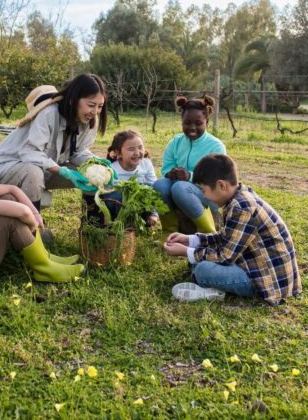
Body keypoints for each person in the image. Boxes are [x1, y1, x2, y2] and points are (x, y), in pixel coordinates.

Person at [164, 154, 302, 305]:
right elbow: (226, 238)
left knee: (202, 270)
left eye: (204, 191)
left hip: (266, 280)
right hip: (254, 263)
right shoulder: (239, 198)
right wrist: (191, 240)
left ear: (221, 185)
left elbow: (224, 256)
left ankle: (212, 291)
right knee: (199, 259)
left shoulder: (241, 208)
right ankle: (212, 282)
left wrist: (186, 252)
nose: (205, 196)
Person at [0, 137, 84, 285]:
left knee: (8, 197)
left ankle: (44, 257)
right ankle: (43, 268)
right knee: (10, 217)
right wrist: (33, 222)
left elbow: (12, 189)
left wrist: (35, 213)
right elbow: (22, 212)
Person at [0, 73, 109, 212]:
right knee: (34, 173)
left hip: (43, 170)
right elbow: (29, 152)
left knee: (94, 174)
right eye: (91, 105)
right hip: (10, 168)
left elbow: (78, 152)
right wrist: (61, 170)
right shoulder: (49, 114)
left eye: (100, 106)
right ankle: (31, 231)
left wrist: (96, 162)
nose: (95, 112)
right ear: (73, 100)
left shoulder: (88, 121)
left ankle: (93, 228)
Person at [153, 95, 226, 233]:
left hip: (209, 195)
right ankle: (169, 231)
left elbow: (215, 180)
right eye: (187, 122)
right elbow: (166, 168)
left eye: (198, 123)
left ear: (207, 122)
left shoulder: (215, 146)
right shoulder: (176, 142)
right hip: (181, 188)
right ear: (182, 121)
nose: (192, 127)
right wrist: (171, 172)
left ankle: (208, 232)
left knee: (180, 188)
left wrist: (190, 176)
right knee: (159, 185)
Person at [105, 130, 158, 226]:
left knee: (148, 189)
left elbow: (154, 188)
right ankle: (120, 223)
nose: (137, 152)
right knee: (117, 195)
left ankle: (144, 219)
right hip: (118, 206)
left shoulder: (146, 164)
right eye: (131, 149)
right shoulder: (111, 169)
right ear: (118, 152)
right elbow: (107, 193)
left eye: (140, 147)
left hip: (139, 204)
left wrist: (154, 213)